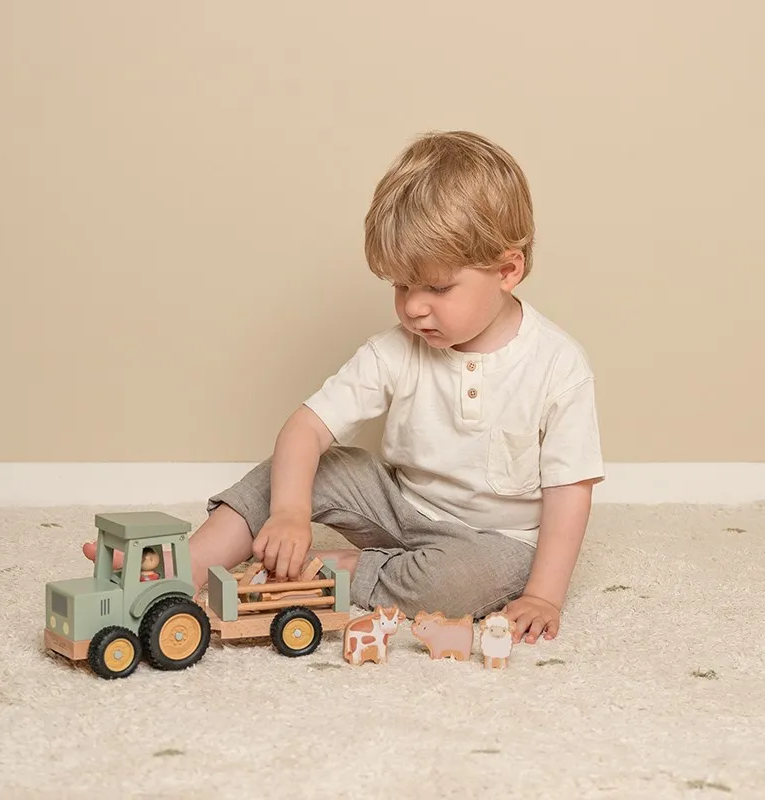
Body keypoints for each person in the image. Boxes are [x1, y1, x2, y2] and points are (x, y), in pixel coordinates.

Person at [85, 131, 604, 644]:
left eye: (437, 287)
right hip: (399, 504)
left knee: (467, 584)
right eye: (401, 285)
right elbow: (306, 428)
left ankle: (341, 569)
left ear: (507, 270)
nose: (413, 306)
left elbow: (569, 492)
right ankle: (185, 566)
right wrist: (290, 512)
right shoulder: (397, 349)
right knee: (307, 467)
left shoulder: (558, 366)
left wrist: (545, 596)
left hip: (492, 540)